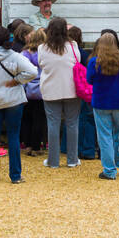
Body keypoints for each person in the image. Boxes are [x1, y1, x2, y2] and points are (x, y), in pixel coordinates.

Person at [0, 25, 39, 183]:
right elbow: (33, 72)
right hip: (13, 100)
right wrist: (17, 80)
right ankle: (15, 175)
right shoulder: (16, 57)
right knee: (13, 136)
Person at [38, 18, 82, 167]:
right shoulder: (73, 45)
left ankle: (53, 161)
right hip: (71, 89)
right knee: (72, 124)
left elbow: (41, 64)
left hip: (50, 90)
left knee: (53, 125)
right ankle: (72, 159)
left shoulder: (42, 48)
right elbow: (78, 61)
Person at [87, 32, 119, 180]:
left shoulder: (95, 62)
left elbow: (89, 80)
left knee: (105, 137)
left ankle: (109, 170)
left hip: (102, 102)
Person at [68, 25, 97, 160]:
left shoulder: (66, 53)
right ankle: (87, 148)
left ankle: (70, 148)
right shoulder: (83, 54)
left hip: (70, 88)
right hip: (84, 89)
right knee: (87, 118)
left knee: (73, 119)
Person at [20, 28, 46, 156]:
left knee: (26, 118)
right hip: (41, 89)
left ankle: (28, 145)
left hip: (27, 89)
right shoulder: (44, 53)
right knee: (39, 119)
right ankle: (36, 146)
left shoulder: (24, 53)